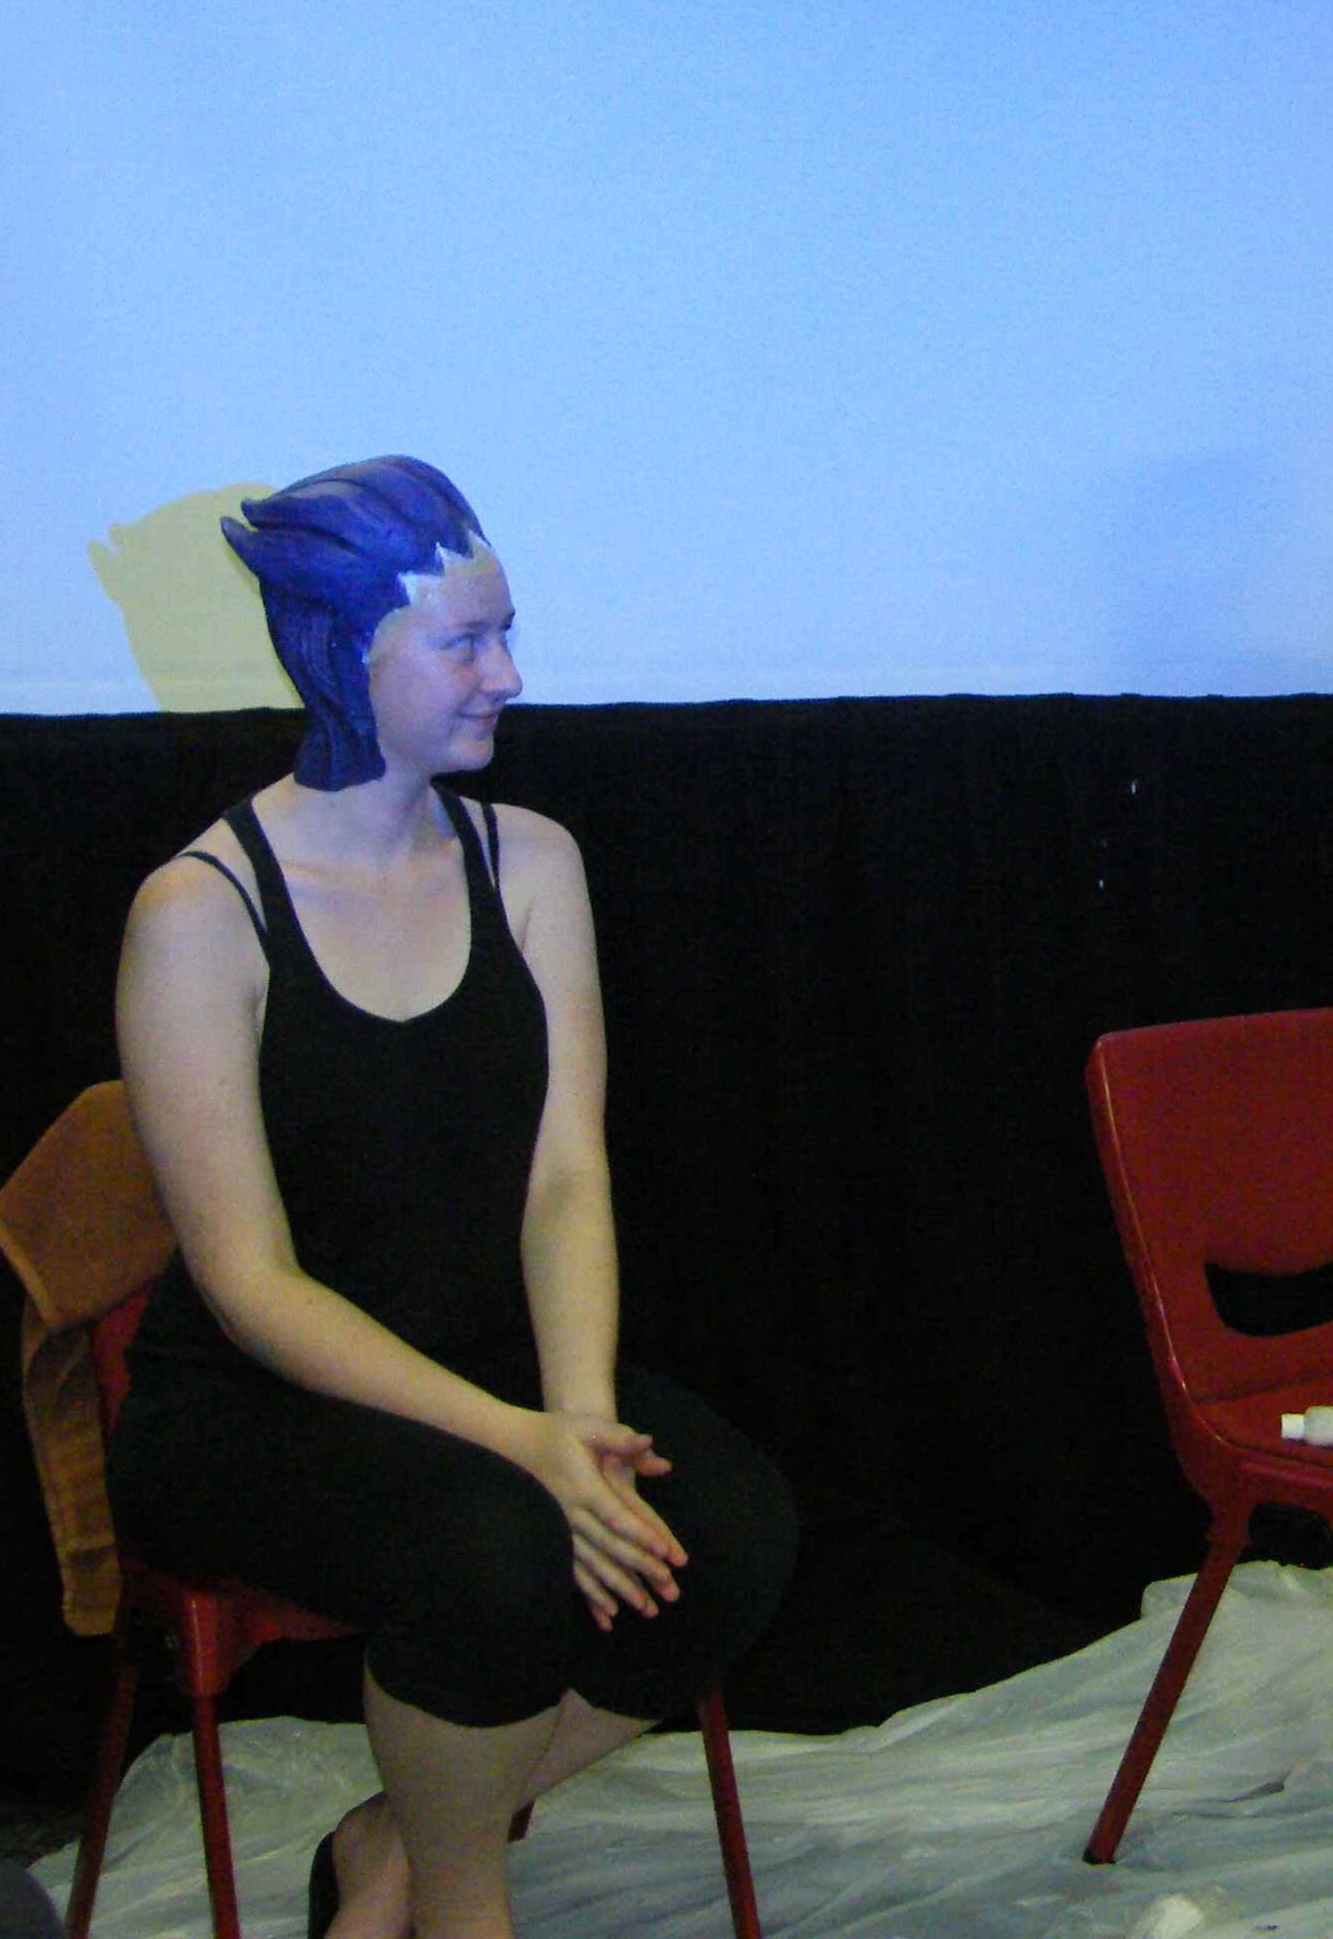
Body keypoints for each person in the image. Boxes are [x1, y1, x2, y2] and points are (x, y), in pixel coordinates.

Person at [105, 458, 793, 1939]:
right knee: (499, 1553)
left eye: (506, 633)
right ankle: (462, 1900)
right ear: (343, 657)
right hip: (248, 1404)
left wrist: (578, 1423)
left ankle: (396, 1846)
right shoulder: (199, 913)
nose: (510, 675)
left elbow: (565, 1176)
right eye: (465, 643)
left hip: (491, 1366)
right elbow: (251, 1282)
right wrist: (525, 1446)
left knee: (732, 1531)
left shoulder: (530, 860)